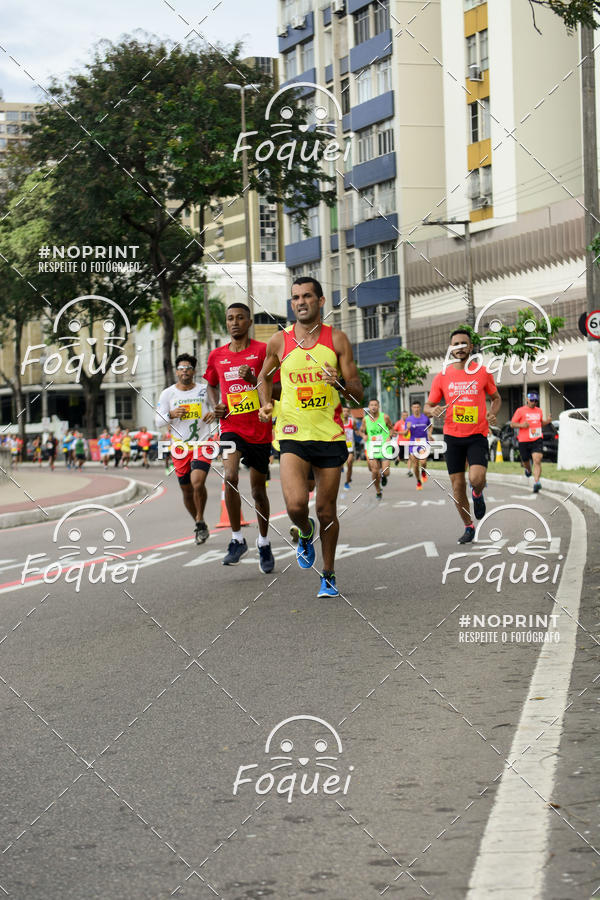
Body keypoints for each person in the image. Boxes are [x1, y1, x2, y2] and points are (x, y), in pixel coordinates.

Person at [257, 276, 363, 598]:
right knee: (296, 504)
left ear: (320, 302)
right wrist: (265, 403)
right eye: (295, 297)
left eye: (307, 296)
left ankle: (328, 574)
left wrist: (340, 385)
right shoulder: (279, 340)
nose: (300, 302)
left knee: (327, 511)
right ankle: (305, 533)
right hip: (291, 432)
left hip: (329, 435)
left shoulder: (338, 340)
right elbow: (264, 376)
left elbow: (357, 392)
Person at [205, 303, 276, 573]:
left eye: (240, 318)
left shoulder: (262, 351)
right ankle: (236, 539)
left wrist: (254, 380)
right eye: (230, 319)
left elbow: (275, 386)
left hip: (258, 428)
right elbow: (211, 383)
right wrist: (216, 405)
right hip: (231, 426)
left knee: (258, 491)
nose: (234, 322)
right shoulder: (216, 355)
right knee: (230, 476)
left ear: (249, 322)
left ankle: (264, 542)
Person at [425, 328, 501, 544]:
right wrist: (433, 410)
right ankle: (468, 527)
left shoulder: (482, 373)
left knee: (476, 479)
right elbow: (428, 406)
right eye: (455, 344)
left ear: (471, 347)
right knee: (457, 487)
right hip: (452, 437)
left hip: (476, 434)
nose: (459, 347)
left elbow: (496, 398)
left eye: (463, 344)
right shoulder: (442, 377)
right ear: (451, 348)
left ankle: (477, 494)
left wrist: (492, 414)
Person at [156, 353, 216, 545]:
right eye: (181, 369)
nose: (184, 372)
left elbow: (219, 408)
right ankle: (200, 522)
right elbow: (158, 421)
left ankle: (199, 519)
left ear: (194, 371)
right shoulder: (168, 394)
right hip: (180, 447)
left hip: (203, 443)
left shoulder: (204, 390)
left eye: (188, 368)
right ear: (176, 371)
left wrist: (213, 414)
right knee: (187, 490)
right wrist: (171, 414)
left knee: (197, 482)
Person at [510, 391, 552, 493]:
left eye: (535, 401)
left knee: (537, 460)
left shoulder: (539, 411)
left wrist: (548, 421)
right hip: (524, 440)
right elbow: (512, 424)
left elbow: (540, 423)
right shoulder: (520, 411)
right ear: (527, 400)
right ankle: (528, 470)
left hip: (537, 439)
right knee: (525, 461)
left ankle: (537, 482)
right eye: (532, 400)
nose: (533, 402)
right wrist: (521, 425)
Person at [359, 398, 393, 500]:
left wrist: (389, 437)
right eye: (371, 405)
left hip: (384, 447)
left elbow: (391, 428)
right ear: (369, 407)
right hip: (372, 448)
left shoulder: (385, 417)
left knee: (386, 472)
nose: (373, 407)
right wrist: (363, 436)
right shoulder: (365, 419)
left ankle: (384, 476)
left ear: (378, 406)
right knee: (374, 471)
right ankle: (378, 491)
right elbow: (361, 431)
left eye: (375, 405)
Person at [400, 401, 432, 490]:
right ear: (412, 408)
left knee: (423, 462)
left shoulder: (425, 418)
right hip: (413, 444)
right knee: (415, 465)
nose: (416, 409)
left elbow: (430, 426)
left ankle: (423, 472)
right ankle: (418, 481)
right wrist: (408, 428)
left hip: (423, 442)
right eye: (414, 407)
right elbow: (405, 433)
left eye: (417, 407)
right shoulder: (409, 419)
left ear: (420, 408)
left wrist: (429, 434)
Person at [342, 407, 355, 490]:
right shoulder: (338, 421)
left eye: (347, 411)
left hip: (350, 446)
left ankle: (347, 482)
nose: (346, 413)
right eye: (344, 411)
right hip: (340, 445)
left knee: (349, 463)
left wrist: (363, 435)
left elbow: (357, 430)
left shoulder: (352, 421)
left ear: (349, 412)